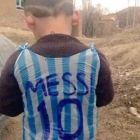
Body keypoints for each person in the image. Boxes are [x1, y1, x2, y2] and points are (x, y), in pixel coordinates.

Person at [0, 0, 114, 139]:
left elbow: (7, 108)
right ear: (75, 17)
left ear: (29, 20)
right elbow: (104, 99)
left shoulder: (17, 61)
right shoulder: (96, 59)